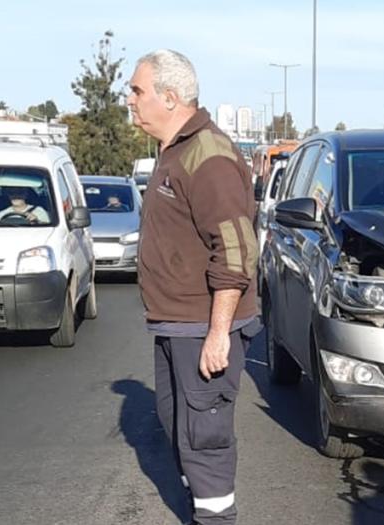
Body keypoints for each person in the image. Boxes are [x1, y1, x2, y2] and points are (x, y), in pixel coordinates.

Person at [128, 49, 258, 525]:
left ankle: (215, 518)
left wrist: (219, 332)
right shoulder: (173, 150)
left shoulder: (208, 155)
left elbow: (237, 251)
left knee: (205, 439)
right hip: (174, 326)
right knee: (176, 426)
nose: (130, 100)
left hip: (204, 328)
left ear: (170, 96)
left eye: (137, 91)